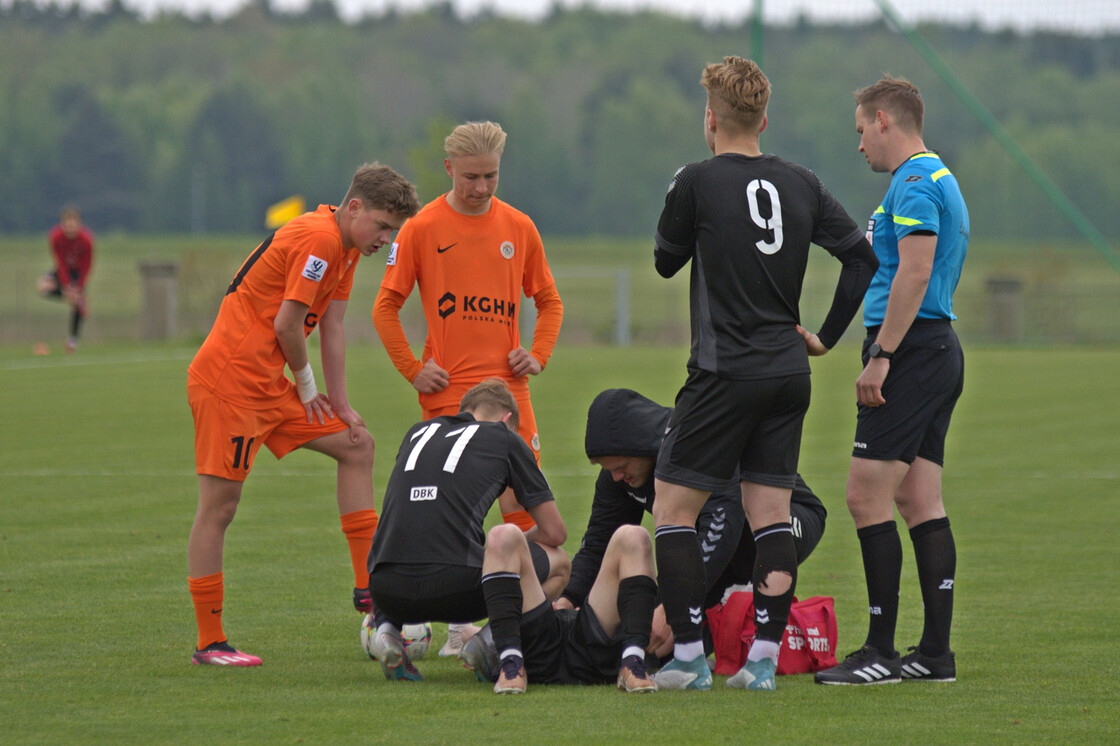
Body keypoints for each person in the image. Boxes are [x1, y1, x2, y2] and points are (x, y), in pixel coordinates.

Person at [649, 56, 878, 692]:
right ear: (765, 119)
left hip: (725, 372)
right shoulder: (802, 180)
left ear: (710, 119)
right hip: (787, 371)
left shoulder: (695, 179)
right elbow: (861, 259)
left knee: (672, 509)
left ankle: (691, 658)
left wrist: (684, 202)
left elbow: (666, 261)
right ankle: (762, 663)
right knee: (771, 514)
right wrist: (825, 337)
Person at [186, 162, 421, 667]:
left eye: (393, 231)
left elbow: (332, 325)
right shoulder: (318, 239)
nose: (385, 238)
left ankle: (368, 590)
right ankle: (210, 642)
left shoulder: (347, 247)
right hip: (231, 383)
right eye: (382, 226)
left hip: (270, 384)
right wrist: (309, 387)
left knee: (356, 444)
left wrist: (339, 403)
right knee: (220, 507)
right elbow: (288, 324)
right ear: (354, 207)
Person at [372, 120, 564, 655]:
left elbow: (548, 302)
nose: (481, 188)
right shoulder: (422, 227)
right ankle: (448, 620)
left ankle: (502, 618)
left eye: (491, 176)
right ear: (449, 168)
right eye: (472, 177)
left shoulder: (519, 227)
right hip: (447, 394)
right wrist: (414, 369)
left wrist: (538, 354)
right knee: (442, 511)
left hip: (508, 392)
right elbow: (385, 307)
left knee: (522, 511)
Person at [814, 75, 969, 686]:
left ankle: (880, 650)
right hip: (933, 350)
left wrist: (880, 354)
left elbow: (915, 271)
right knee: (917, 499)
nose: (859, 146)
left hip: (910, 353)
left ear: (884, 119)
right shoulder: (937, 176)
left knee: (864, 496)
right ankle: (934, 655)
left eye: (860, 131)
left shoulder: (911, 181)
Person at [558, 388, 827, 659]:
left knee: (734, 542)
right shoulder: (620, 475)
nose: (616, 476)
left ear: (642, 447)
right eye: (608, 469)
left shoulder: (694, 447)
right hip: (720, 531)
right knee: (657, 644)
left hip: (791, 515)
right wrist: (569, 599)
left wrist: (670, 609)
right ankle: (707, 624)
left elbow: (722, 528)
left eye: (622, 466)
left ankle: (743, 612)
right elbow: (598, 544)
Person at [365, 378, 568, 682]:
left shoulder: (417, 433)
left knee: (406, 544)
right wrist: (508, 550)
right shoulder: (505, 438)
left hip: (384, 589)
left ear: (465, 410)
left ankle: (386, 632)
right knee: (561, 564)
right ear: (507, 419)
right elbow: (555, 532)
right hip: (457, 589)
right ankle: (486, 642)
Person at [458, 523, 660, 695]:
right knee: (502, 535)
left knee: (634, 536)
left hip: (595, 647)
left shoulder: (619, 482)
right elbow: (592, 548)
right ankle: (510, 662)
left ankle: (633, 662)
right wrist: (568, 598)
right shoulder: (613, 484)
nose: (617, 477)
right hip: (535, 651)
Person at [38, 205, 94, 353]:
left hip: (78, 273)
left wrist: (78, 287)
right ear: (62, 224)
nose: (70, 230)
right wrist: (67, 287)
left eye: (73, 226)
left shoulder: (86, 240)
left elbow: (86, 265)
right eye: (67, 226)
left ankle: (72, 341)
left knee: (76, 303)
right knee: (43, 288)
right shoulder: (56, 237)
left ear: (79, 225)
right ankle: (77, 299)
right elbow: (60, 263)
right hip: (63, 271)